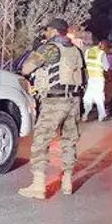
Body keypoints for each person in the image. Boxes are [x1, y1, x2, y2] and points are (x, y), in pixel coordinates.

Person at [18, 18, 85, 199]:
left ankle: (38, 186)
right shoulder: (76, 50)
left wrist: (34, 51)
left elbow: (25, 69)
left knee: (41, 141)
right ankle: (67, 182)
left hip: (54, 101)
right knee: (69, 141)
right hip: (74, 101)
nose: (45, 33)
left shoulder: (50, 48)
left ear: (55, 31)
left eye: (47, 30)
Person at [82, 39, 110, 122]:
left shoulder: (87, 52)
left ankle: (85, 115)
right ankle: (102, 116)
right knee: (99, 98)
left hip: (90, 78)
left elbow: (84, 64)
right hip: (99, 79)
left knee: (88, 97)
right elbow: (107, 67)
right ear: (100, 43)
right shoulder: (101, 53)